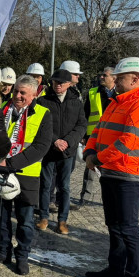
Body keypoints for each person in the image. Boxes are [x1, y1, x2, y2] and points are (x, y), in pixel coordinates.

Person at [84, 57, 139, 277]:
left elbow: (128, 142)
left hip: (130, 174)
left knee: (128, 228)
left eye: (120, 78)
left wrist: (97, 159)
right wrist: (89, 151)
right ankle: (116, 270)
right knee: (115, 225)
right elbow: (97, 130)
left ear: (136, 80)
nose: (115, 81)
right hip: (112, 171)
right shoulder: (118, 102)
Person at [0, 75, 52, 275]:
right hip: (1, 172)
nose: (17, 96)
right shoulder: (2, 108)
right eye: (16, 91)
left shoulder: (43, 113)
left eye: (23, 93)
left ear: (34, 94)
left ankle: (22, 255)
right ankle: (3, 251)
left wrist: (12, 163)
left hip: (26, 173)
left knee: (26, 221)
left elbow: (41, 146)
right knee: (2, 216)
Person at [35, 69, 87, 235]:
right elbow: (40, 125)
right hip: (49, 149)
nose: (58, 85)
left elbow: (81, 126)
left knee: (64, 186)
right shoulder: (43, 101)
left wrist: (68, 141)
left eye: (62, 83)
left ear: (69, 84)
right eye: (55, 82)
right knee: (45, 185)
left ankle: (62, 220)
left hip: (67, 152)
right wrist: (55, 140)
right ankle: (43, 217)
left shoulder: (76, 103)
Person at [75, 67, 115, 209]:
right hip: (94, 137)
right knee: (90, 167)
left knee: (111, 170)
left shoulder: (121, 94)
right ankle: (84, 198)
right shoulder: (93, 92)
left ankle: (111, 200)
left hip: (113, 137)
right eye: (101, 74)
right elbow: (86, 115)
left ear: (114, 78)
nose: (101, 77)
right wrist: (84, 135)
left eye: (105, 75)